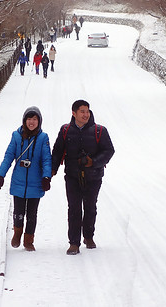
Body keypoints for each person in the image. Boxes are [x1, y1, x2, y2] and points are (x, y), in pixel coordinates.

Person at [51, 100, 115, 255]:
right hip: (72, 176)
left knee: (90, 207)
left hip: (93, 177)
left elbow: (109, 151)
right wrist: (51, 171)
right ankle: (74, 243)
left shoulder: (100, 130)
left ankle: (88, 236)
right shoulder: (66, 130)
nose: (86, 114)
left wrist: (94, 162)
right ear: (74, 113)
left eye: (87, 111)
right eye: (82, 111)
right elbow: (58, 150)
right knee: (74, 209)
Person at [0, 106, 52, 251]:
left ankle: (29, 240)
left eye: (35, 119)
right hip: (18, 182)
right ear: (24, 120)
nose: (32, 122)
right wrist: (1, 175)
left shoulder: (43, 138)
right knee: (18, 212)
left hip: (36, 183)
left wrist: (46, 177)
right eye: (29, 119)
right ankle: (17, 233)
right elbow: (8, 156)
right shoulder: (16, 136)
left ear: (39, 121)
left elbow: (46, 159)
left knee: (32, 214)